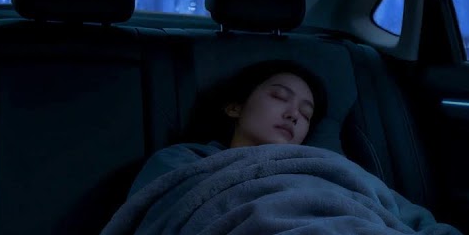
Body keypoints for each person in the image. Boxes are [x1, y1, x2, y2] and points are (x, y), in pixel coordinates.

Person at [128, 59, 328, 197]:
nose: (294, 115)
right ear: (234, 108)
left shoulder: (318, 177)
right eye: (279, 97)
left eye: (306, 114)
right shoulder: (178, 161)